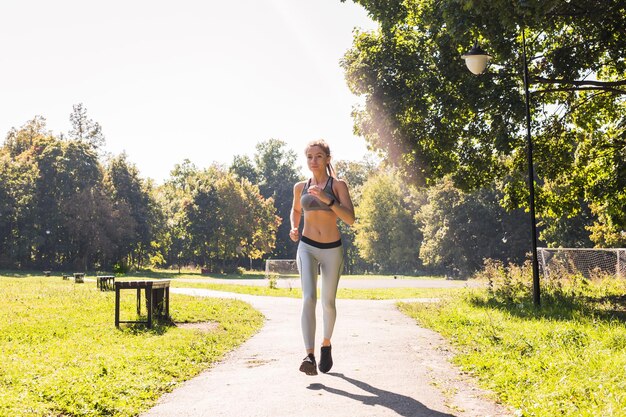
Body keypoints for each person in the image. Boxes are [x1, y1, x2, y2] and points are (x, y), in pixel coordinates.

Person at [289, 139, 355, 375]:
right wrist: (294, 227)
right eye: (309, 156)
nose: (313, 161)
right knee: (308, 298)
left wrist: (328, 199)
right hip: (306, 246)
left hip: (331, 249)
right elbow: (296, 210)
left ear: (327, 159)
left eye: (318, 156)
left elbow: (350, 218)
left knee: (328, 302)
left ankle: (325, 344)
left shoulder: (338, 186)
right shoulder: (300, 187)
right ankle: (309, 356)